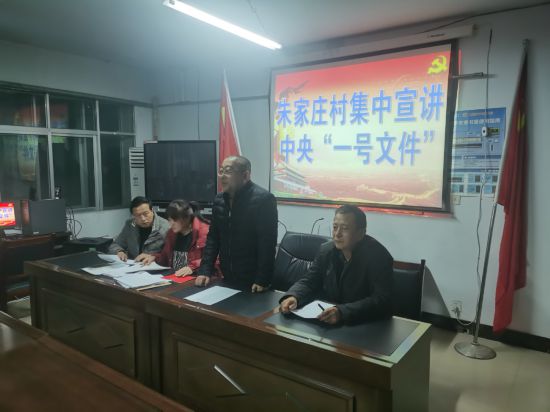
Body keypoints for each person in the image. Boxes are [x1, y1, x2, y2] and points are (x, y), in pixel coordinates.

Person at [279, 205, 393, 325]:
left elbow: (382, 300)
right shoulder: (326, 251)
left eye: (344, 228)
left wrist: (342, 312)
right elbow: (310, 280)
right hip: (329, 319)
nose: (337, 234)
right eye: (335, 227)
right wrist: (294, 296)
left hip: (367, 324)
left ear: (360, 233)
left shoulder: (378, 257)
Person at [195, 155, 278, 292]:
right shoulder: (219, 200)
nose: (222, 176)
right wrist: (205, 270)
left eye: (228, 171)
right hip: (227, 276)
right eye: (221, 171)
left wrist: (263, 279)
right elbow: (213, 238)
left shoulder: (264, 200)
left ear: (245, 175)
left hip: (253, 280)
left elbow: (267, 243)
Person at [136, 199, 216, 276]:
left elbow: (215, 259)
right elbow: (165, 259)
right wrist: (154, 257)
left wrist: (192, 267)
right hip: (175, 278)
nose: (171, 224)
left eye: (175, 220)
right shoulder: (172, 233)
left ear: (186, 218)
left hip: (197, 278)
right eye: (169, 220)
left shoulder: (205, 231)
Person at [108, 196, 170, 261]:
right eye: (138, 215)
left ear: (152, 210)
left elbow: (171, 255)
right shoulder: (130, 225)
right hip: (134, 264)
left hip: (154, 264)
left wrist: (154, 257)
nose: (143, 219)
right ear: (133, 216)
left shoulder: (166, 227)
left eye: (145, 214)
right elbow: (115, 244)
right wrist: (119, 251)